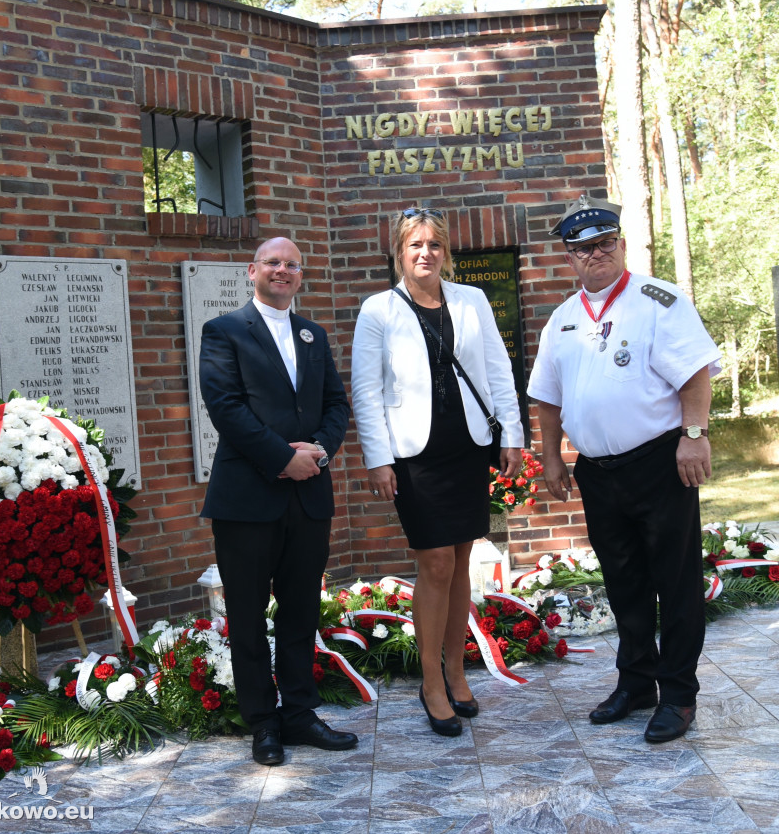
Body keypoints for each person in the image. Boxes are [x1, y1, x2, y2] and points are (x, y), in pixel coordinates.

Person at [527, 196, 721, 743]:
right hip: (598, 472)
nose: (595, 254)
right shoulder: (562, 319)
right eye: (582, 248)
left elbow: (694, 374)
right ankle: (636, 683)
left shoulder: (659, 300)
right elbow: (547, 397)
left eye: (604, 242)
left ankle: (678, 694)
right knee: (624, 583)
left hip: (660, 464)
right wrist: (550, 457)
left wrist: (694, 435)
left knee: (675, 582)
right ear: (568, 256)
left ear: (621, 243)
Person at [351, 207, 524, 737]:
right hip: (413, 454)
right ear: (399, 253)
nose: (424, 253)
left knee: (463, 556)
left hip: (468, 446)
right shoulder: (377, 309)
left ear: (445, 252)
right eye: (414, 245)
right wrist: (377, 458)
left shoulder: (472, 301)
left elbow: (498, 369)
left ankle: (456, 668)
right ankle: (431, 682)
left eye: (433, 245)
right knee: (436, 563)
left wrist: (512, 435)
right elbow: (367, 389)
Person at [199, 236, 356, 766]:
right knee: (247, 615)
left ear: (300, 274)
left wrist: (320, 452)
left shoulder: (313, 335)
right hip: (247, 497)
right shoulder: (223, 331)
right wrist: (280, 457)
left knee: (300, 610)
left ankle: (300, 714)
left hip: (309, 492)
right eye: (273, 262)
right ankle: (263, 723)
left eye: (292, 264)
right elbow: (226, 406)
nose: (283, 270)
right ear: (253, 271)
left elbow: (336, 403)